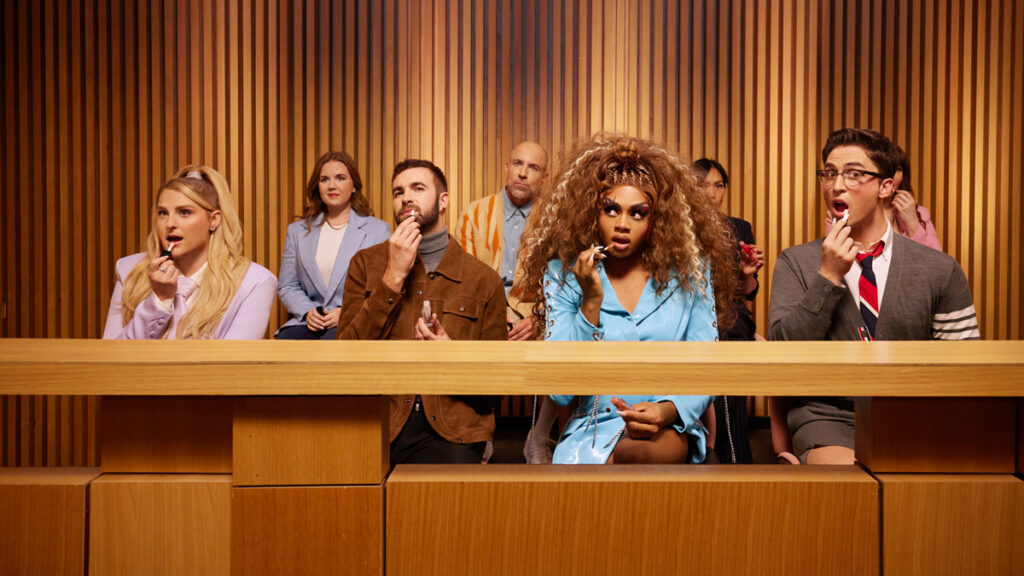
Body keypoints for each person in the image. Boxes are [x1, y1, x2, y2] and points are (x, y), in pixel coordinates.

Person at [519, 134, 737, 464]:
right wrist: (590, 302)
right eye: (611, 209)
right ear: (591, 211)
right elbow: (560, 390)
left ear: (657, 218)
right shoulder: (562, 274)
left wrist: (667, 411)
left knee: (641, 455)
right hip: (592, 430)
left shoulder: (691, 272)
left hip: (669, 428)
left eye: (638, 213)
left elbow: (706, 367)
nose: (622, 224)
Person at [768, 128, 979, 465]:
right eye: (829, 173)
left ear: (886, 186)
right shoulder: (796, 262)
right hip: (829, 419)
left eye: (854, 174)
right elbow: (781, 352)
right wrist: (828, 277)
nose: (837, 185)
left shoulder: (940, 270)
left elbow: (967, 370)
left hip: (915, 418)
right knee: (849, 486)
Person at [336, 159, 507, 466]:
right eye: (398, 191)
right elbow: (345, 357)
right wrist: (393, 277)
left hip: (455, 431)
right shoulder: (365, 265)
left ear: (443, 201)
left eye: (418, 188)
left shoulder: (484, 280)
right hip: (379, 424)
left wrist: (451, 356)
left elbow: (494, 391)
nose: (406, 197)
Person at [455, 140, 558, 463]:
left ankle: (539, 436)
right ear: (506, 167)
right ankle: (479, 431)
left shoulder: (555, 220)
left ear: (544, 177)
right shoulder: (473, 213)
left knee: (564, 340)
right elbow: (463, 275)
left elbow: (563, 282)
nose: (523, 173)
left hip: (537, 313)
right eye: (517, 164)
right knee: (462, 337)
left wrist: (539, 320)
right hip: (483, 309)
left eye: (533, 168)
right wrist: (496, 316)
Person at [103, 165, 277, 339]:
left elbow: (233, 362)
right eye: (163, 213)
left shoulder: (255, 281)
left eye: (184, 212)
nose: (170, 223)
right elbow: (111, 357)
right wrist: (158, 301)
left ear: (214, 220)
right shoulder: (129, 270)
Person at [693, 157, 765, 464]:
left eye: (718, 185)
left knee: (732, 336)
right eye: (703, 185)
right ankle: (722, 458)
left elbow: (748, 294)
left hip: (731, 320)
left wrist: (747, 272)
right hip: (693, 321)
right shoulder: (679, 228)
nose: (711, 193)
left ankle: (735, 460)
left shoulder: (738, 228)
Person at [275, 151, 391, 339]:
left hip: (354, 320)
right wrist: (308, 311)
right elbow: (287, 286)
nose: (332, 186)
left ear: (354, 186)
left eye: (340, 178)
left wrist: (347, 311)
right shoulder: (297, 231)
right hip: (308, 322)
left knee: (333, 349)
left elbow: (380, 289)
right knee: (284, 347)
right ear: (317, 187)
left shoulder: (378, 230)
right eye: (324, 179)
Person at [825, 145, 942, 251]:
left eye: (896, 170)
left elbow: (937, 262)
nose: (890, 176)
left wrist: (913, 223)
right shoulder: (842, 212)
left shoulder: (920, 213)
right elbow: (831, 255)